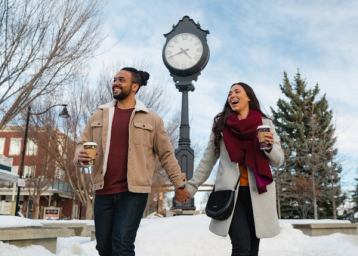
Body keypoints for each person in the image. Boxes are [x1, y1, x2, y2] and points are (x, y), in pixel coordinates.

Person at [73, 67, 190, 256]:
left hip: (133, 192)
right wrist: (79, 155)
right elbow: (81, 144)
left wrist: (179, 184)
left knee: (122, 244)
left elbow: (166, 154)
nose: (115, 83)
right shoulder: (99, 114)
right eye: (114, 79)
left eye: (121, 80)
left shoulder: (152, 119)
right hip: (102, 190)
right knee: (104, 247)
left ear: (134, 86)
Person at [178, 82, 284, 256]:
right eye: (229, 93)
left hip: (258, 193)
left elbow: (279, 160)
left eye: (237, 91)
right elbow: (207, 160)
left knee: (252, 248)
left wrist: (269, 147)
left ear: (248, 97)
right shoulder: (222, 126)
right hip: (230, 194)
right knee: (241, 247)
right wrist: (191, 186)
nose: (232, 95)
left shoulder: (265, 123)